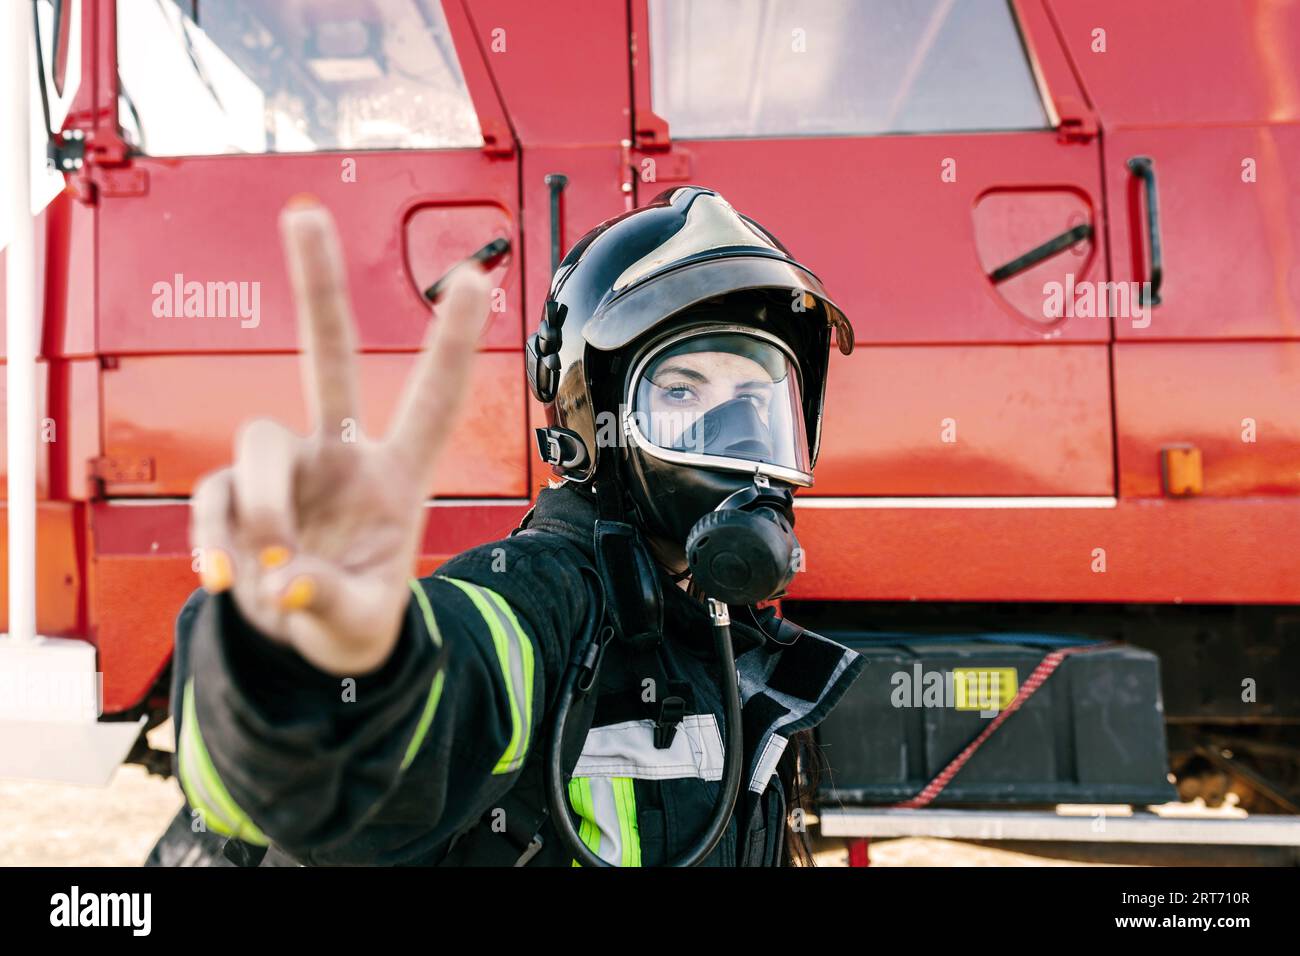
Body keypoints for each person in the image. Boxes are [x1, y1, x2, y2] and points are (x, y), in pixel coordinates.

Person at [147, 185, 864, 867]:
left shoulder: (726, 632)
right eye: (680, 391)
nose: (736, 435)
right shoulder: (548, 599)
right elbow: (438, 713)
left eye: (756, 399)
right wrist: (333, 673)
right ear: (598, 421)